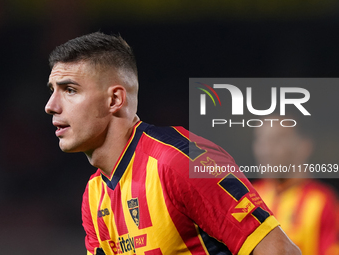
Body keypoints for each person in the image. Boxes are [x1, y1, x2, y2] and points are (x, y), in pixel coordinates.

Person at [45, 32, 300, 255]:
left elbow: (281, 250)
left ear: (114, 100)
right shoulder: (94, 195)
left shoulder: (180, 161)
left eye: (69, 90)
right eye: (52, 90)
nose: (51, 106)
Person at [252, 115, 339, 255]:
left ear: (304, 146)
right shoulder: (250, 196)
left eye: (277, 140)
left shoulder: (322, 202)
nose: (265, 150)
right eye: (261, 141)